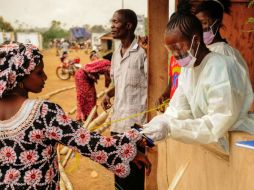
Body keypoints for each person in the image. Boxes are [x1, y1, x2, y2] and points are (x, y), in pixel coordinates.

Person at [0, 41, 151, 189]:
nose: (45, 77)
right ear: (18, 75)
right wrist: (128, 147)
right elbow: (89, 143)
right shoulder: (43, 113)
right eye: (39, 73)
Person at [141, 0, 254, 147]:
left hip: (241, 145)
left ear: (195, 40)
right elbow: (178, 110)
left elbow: (217, 123)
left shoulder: (221, 67)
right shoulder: (188, 71)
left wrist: (171, 128)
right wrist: (158, 123)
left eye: (178, 47)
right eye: (171, 50)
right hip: (217, 148)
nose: (175, 54)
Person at [156, 0, 250, 111]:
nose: (200, 27)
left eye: (204, 23)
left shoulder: (224, 53)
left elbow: (226, 105)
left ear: (217, 23)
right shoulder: (195, 55)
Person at [101, 9, 147, 190]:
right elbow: (119, 83)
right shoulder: (115, 54)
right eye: (111, 22)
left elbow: (152, 86)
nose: (111, 26)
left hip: (136, 126)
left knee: (134, 180)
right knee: (120, 176)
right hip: (117, 124)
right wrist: (108, 94)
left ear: (129, 26)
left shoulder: (143, 52)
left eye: (115, 22)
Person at [75, 51, 111, 121]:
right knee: (87, 96)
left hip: (84, 76)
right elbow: (108, 79)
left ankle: (88, 116)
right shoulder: (109, 64)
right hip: (82, 76)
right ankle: (85, 117)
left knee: (91, 95)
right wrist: (107, 89)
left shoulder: (105, 62)